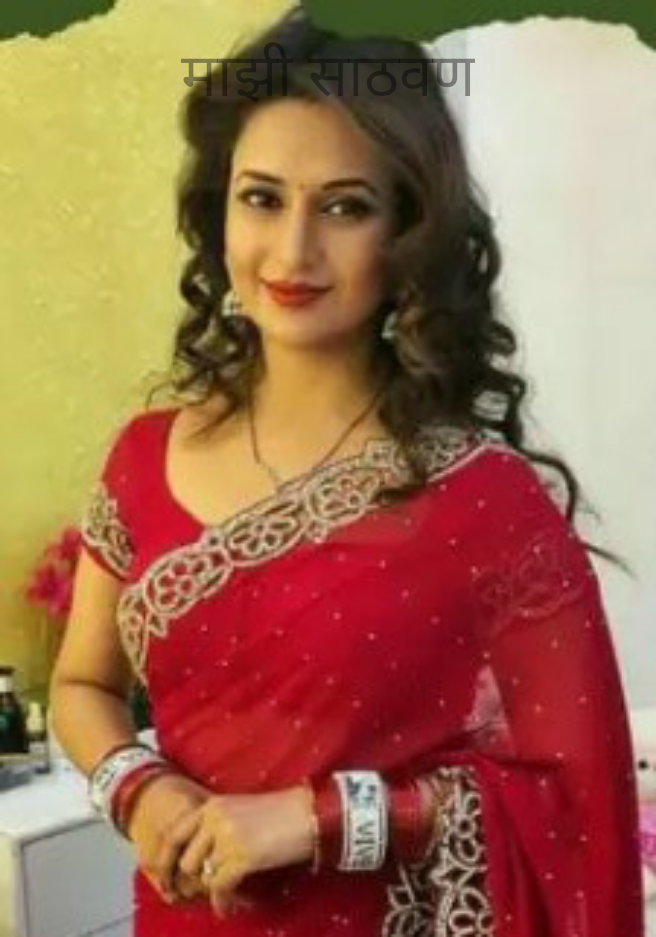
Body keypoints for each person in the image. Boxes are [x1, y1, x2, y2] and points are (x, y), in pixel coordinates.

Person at [50, 6, 644, 936]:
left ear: (409, 231)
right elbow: (82, 685)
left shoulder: (486, 501)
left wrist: (319, 818)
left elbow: (573, 803)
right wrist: (139, 786)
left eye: (345, 206)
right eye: (262, 198)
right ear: (217, 210)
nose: (293, 252)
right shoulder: (142, 457)